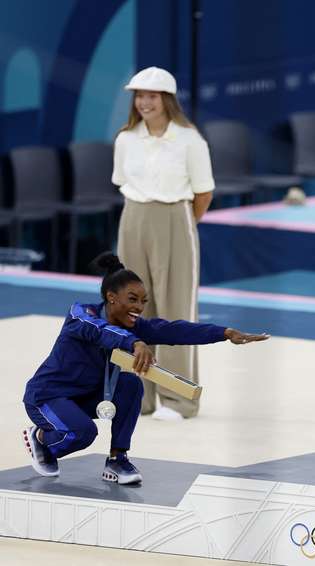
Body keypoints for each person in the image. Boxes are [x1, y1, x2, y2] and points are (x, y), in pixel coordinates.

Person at [22, 253, 269, 485]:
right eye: (132, 299)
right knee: (83, 433)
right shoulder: (80, 315)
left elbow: (174, 330)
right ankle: (42, 439)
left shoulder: (135, 326)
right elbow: (101, 331)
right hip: (47, 396)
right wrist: (134, 342)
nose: (139, 307)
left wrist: (224, 333)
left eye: (143, 301)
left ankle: (117, 459)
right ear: (111, 297)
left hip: (86, 397)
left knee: (130, 385)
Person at [112, 66, 215, 421]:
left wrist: (181, 222)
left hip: (174, 217)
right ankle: (137, 396)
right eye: (139, 96)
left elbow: (203, 191)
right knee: (128, 310)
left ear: (167, 100)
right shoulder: (126, 138)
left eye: (151, 96)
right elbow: (122, 181)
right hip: (133, 217)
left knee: (173, 309)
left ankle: (178, 399)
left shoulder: (189, 140)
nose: (144, 103)